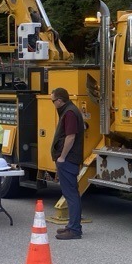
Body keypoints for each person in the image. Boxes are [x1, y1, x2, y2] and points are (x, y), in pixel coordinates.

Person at [50, 87, 84, 240]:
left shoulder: (69, 112)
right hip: (69, 159)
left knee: (71, 194)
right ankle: (71, 226)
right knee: (70, 193)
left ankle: (75, 229)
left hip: (68, 159)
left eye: (53, 101)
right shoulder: (69, 110)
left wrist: (62, 157)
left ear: (59, 100)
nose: (52, 104)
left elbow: (70, 137)